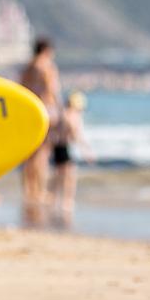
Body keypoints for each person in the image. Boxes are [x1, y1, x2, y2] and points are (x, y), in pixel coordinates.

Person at [16, 38, 61, 227]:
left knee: (30, 155)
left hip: (29, 111)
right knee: (43, 154)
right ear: (47, 50)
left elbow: (22, 89)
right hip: (45, 111)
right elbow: (52, 90)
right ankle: (40, 191)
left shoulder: (28, 68)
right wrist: (60, 111)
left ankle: (29, 191)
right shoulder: (47, 67)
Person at [49, 90, 88, 229]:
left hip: (57, 147)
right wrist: (87, 151)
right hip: (67, 147)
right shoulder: (73, 116)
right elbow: (76, 135)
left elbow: (52, 130)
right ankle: (67, 201)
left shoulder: (62, 114)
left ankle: (53, 198)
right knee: (69, 177)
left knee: (58, 175)